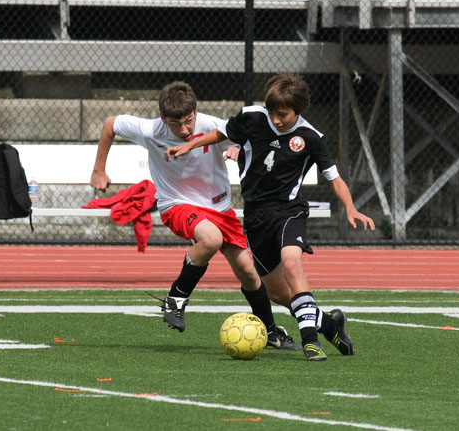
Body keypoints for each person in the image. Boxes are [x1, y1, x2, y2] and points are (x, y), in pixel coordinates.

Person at [165, 73, 375, 361]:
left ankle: (310, 342)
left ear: (297, 110)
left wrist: (350, 207)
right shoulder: (252, 117)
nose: (277, 119)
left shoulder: (311, 137)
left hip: (289, 212)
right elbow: (221, 133)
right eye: (273, 113)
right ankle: (329, 324)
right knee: (277, 293)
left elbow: (334, 178)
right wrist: (189, 145)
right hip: (256, 217)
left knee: (292, 263)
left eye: (283, 114)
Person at [90, 81, 300, 351]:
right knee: (210, 239)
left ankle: (271, 331)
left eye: (189, 121)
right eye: (176, 124)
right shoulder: (150, 129)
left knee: (249, 272)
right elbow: (110, 124)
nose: (185, 130)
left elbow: (244, 136)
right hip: (176, 204)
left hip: (219, 208)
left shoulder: (209, 124)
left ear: (196, 112)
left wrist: (237, 147)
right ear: (163, 117)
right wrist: (99, 170)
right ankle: (176, 298)